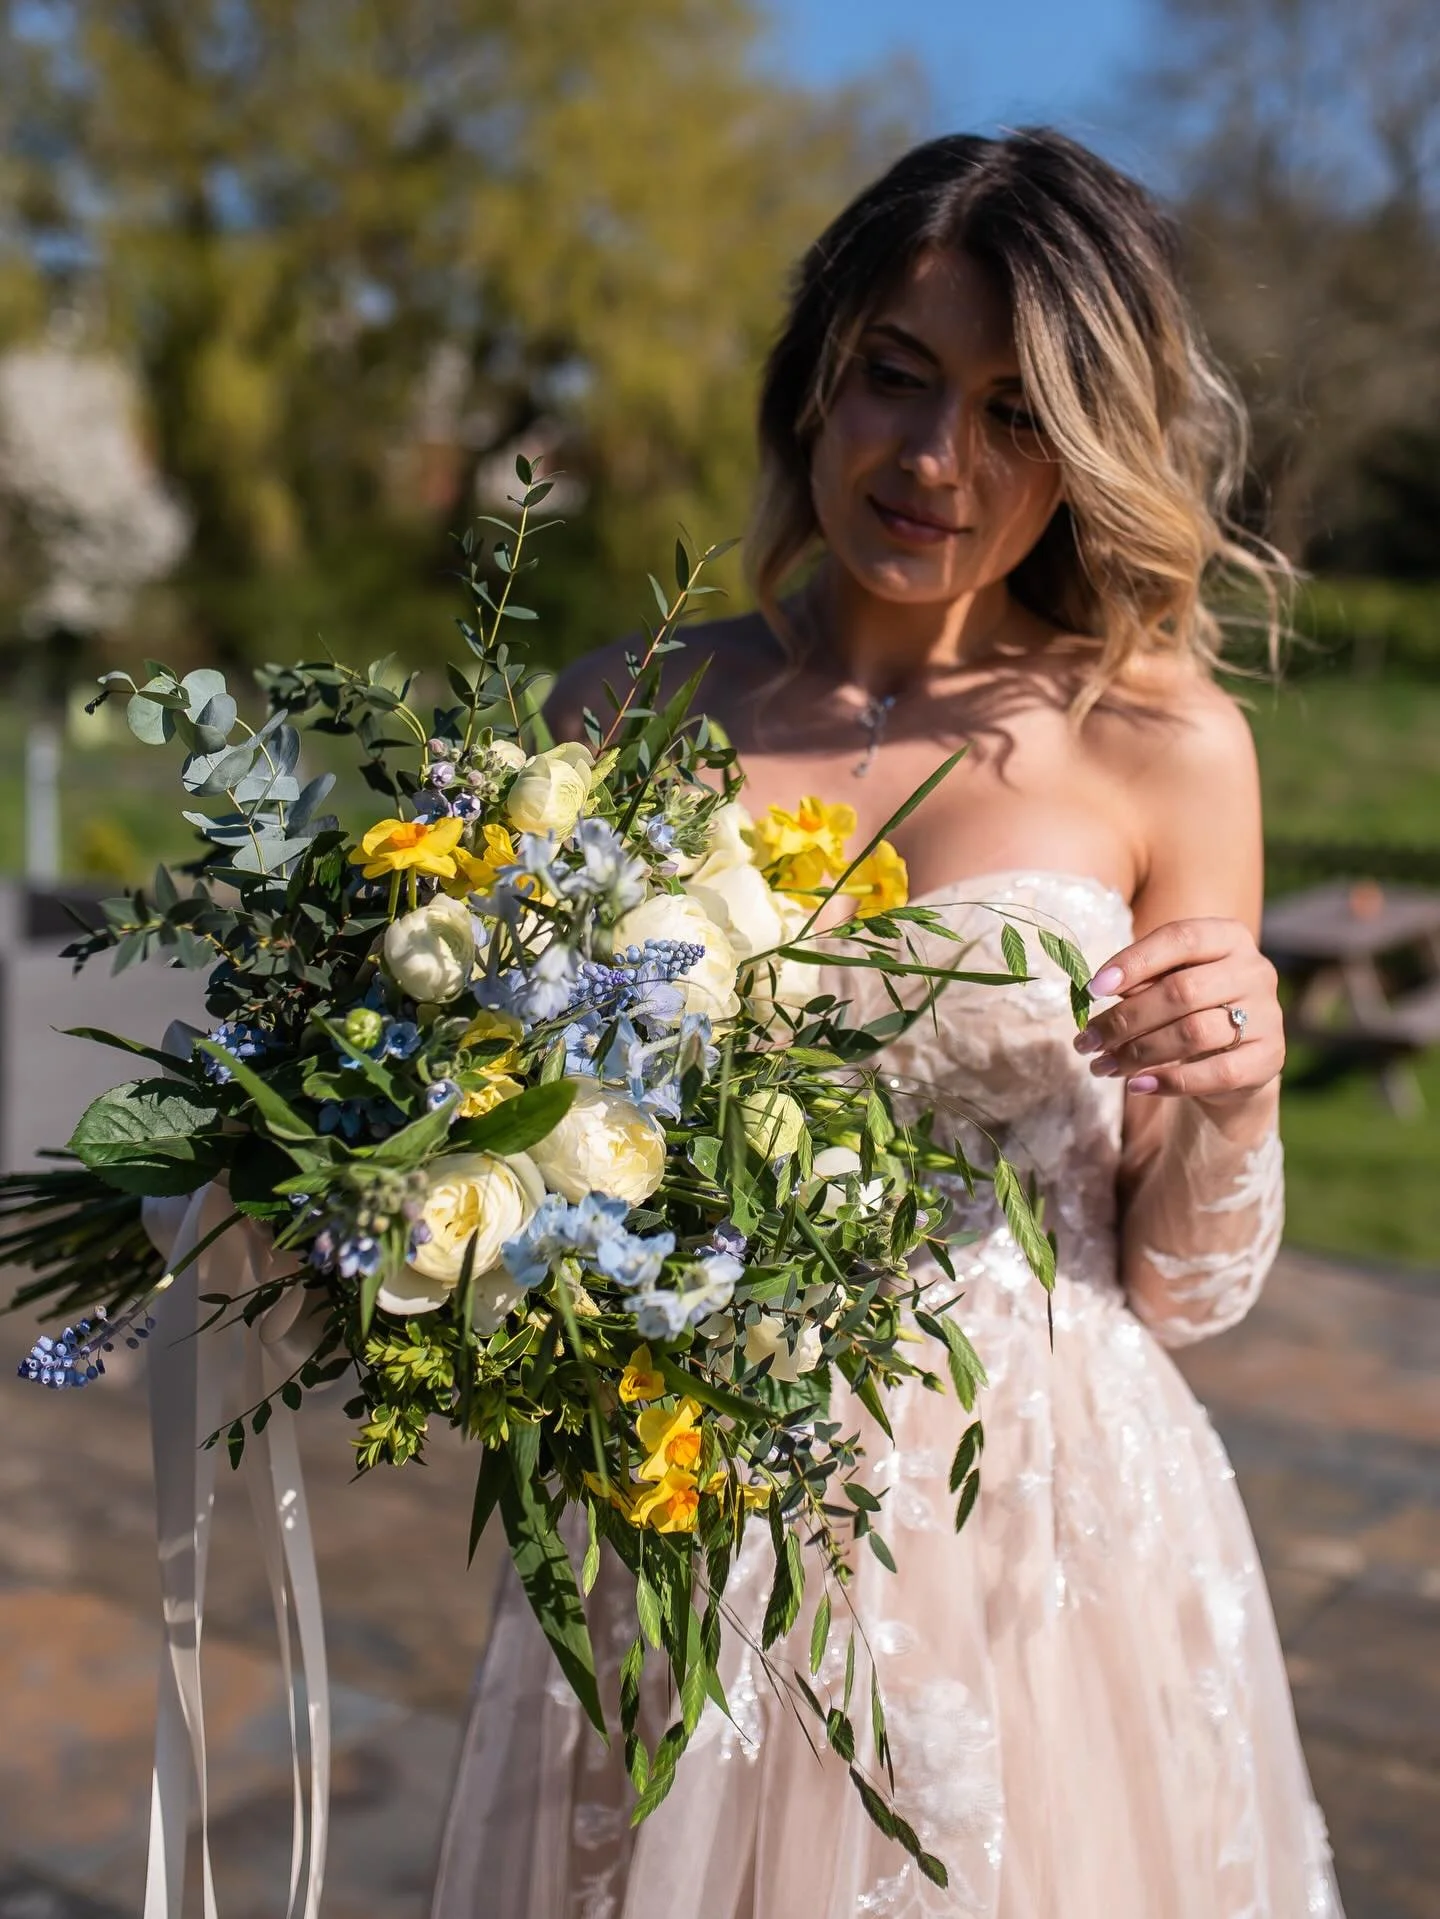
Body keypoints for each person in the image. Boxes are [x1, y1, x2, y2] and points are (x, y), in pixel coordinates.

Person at [433, 128, 1342, 1918]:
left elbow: (1184, 1291)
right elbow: (506, 1126)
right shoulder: (616, 710)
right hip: (685, 1481)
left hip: (1039, 1541)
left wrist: (1236, 1097)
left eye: (1015, 414)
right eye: (895, 379)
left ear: (1089, 456)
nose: (934, 461)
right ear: (813, 383)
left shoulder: (1164, 747)